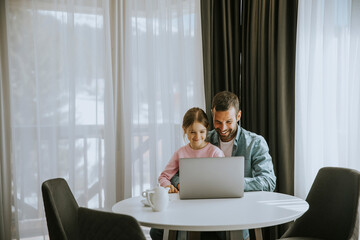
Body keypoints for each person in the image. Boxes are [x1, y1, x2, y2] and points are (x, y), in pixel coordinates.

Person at [170, 91, 276, 240]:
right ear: (213, 114)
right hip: (202, 210)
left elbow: (269, 181)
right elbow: (177, 172)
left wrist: (232, 184)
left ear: (238, 116)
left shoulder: (255, 143)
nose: (223, 127)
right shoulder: (204, 138)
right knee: (161, 230)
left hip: (239, 211)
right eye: (218, 122)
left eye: (229, 122)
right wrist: (180, 183)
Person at [150, 107, 225, 240]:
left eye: (201, 132)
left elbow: (222, 181)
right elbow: (163, 176)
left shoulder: (215, 153)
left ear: (207, 129)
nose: (197, 137)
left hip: (209, 206)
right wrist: (168, 186)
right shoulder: (180, 153)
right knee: (155, 231)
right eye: (192, 132)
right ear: (184, 129)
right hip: (184, 204)